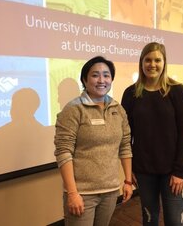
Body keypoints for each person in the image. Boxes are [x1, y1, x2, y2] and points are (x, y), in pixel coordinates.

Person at [54, 56, 133, 226]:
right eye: (95, 75)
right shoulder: (73, 109)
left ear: (111, 79)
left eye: (106, 75)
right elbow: (63, 152)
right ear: (84, 79)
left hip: (110, 191)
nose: (101, 80)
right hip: (82, 193)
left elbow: (125, 145)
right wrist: (73, 193)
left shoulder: (118, 109)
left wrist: (127, 181)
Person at [121, 42, 183, 226]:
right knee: (149, 219)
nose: (152, 64)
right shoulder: (130, 94)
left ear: (164, 62)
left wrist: (179, 171)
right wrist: (131, 170)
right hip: (144, 171)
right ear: (141, 62)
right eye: (148, 60)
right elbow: (124, 135)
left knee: (174, 221)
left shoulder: (177, 91)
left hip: (173, 172)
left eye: (157, 60)